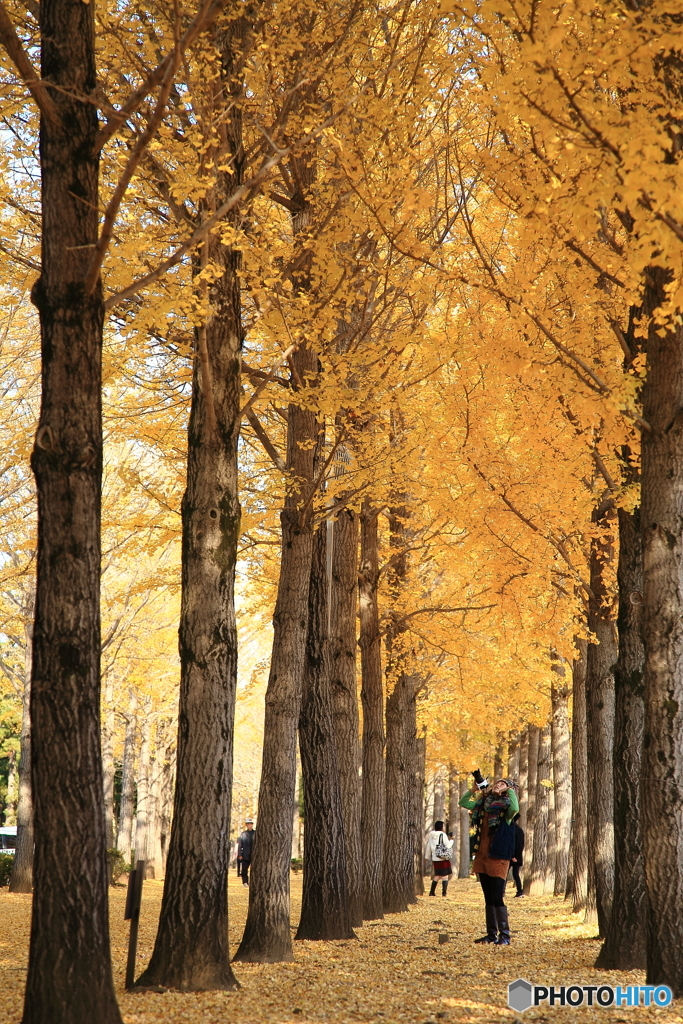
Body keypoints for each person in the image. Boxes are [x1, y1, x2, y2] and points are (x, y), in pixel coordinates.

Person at [459, 777, 519, 945]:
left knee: (497, 896)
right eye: (496, 783)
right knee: (488, 898)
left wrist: (509, 790)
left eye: (502, 784)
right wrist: (473, 790)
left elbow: (515, 807)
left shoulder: (506, 809)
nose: (497, 785)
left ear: (507, 790)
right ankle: (491, 935)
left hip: (498, 857)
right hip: (482, 856)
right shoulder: (483, 806)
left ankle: (505, 936)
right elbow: (462, 802)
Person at [424, 819, 454, 897]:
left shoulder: (431, 836)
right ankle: (444, 893)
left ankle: (432, 892)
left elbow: (428, 847)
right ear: (441, 827)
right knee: (445, 875)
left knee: (437, 875)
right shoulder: (442, 835)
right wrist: (451, 840)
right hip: (442, 858)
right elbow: (448, 846)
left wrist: (426, 857)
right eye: (443, 826)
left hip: (435, 858)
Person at [237, 817, 255, 886]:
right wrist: (240, 854)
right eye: (248, 824)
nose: (249, 825)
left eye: (251, 824)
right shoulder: (243, 834)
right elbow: (240, 845)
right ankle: (245, 882)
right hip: (245, 855)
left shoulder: (255, 833)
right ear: (246, 825)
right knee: (244, 870)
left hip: (253, 855)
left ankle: (252, 882)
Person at [511, 812, 525, 897]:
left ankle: (519, 891)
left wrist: (513, 856)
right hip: (517, 855)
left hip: (513, 855)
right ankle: (519, 891)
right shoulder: (519, 829)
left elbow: (514, 844)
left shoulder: (514, 829)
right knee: (515, 874)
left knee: (514, 874)